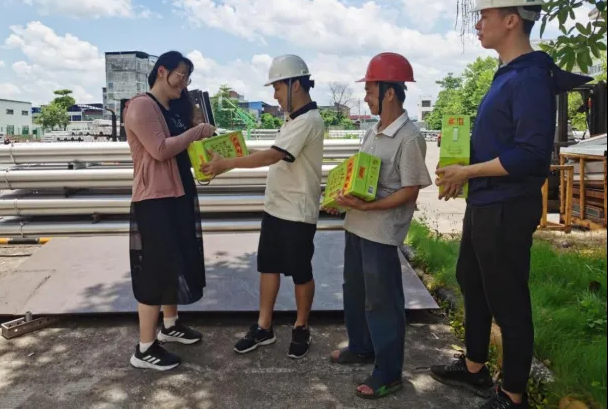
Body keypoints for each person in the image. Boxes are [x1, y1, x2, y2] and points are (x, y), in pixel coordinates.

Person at [431, 0, 592, 408]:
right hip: (485, 202)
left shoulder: (530, 78)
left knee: (508, 299)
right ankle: (474, 369)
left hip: (506, 206)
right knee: (471, 280)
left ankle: (513, 394)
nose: (477, 24)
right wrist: (460, 164)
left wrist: (468, 172)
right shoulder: (507, 73)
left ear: (511, 20)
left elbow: (531, 156)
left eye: (484, 15)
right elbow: (501, 141)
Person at [201, 54, 324, 359]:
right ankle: (264, 326)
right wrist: (232, 152)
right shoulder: (292, 119)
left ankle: (301, 327)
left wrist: (228, 164)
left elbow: (273, 156)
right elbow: (271, 150)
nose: (275, 95)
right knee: (268, 267)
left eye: (278, 87)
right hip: (276, 208)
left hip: (297, 211)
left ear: (296, 85)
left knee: (300, 272)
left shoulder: (308, 120)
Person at [326, 53, 432, 400]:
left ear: (389, 93)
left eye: (370, 91)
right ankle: (361, 347)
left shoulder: (409, 137)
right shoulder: (373, 131)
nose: (366, 97)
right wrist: (342, 199)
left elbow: (410, 190)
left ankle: (388, 372)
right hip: (357, 224)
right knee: (355, 292)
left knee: (382, 301)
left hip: (381, 232)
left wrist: (369, 206)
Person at [123, 50, 215, 371]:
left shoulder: (174, 109)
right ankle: (145, 348)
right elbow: (160, 150)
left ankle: (170, 324)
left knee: (175, 262)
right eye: (181, 76)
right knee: (155, 269)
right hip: (155, 199)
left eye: (188, 78)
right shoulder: (141, 106)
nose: (184, 83)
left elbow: (185, 150)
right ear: (162, 71)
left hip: (179, 193)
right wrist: (197, 132)